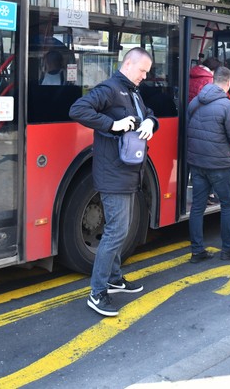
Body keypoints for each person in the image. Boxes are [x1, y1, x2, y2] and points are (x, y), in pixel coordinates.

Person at [69, 48, 158, 317]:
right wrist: (113, 125)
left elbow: (149, 113)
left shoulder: (133, 91)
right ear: (128, 64)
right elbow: (78, 109)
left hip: (129, 173)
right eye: (143, 70)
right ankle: (97, 293)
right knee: (117, 231)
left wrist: (151, 124)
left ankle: (114, 278)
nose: (145, 76)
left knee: (120, 227)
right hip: (114, 174)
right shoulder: (109, 89)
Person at [187, 66, 230, 262]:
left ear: (213, 79)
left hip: (197, 163)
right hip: (220, 165)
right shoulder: (228, 107)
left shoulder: (195, 102)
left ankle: (197, 251)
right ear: (228, 83)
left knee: (197, 207)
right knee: (228, 204)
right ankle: (229, 249)